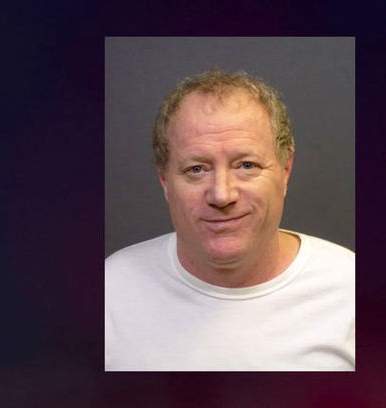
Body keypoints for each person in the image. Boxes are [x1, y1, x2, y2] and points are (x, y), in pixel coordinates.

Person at [105, 69, 355, 371]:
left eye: (246, 165)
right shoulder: (111, 291)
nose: (222, 195)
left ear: (285, 170)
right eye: (197, 169)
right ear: (164, 181)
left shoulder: (350, 288)